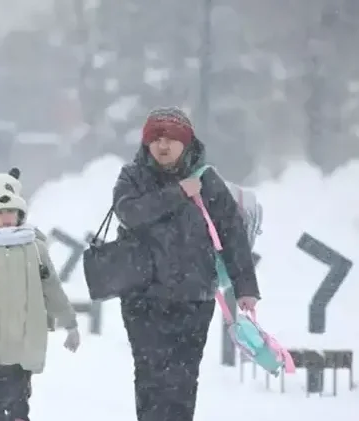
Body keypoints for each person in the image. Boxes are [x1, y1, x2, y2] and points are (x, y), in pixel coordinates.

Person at [112, 107, 260, 421]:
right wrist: (178, 193)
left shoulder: (207, 180)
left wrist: (246, 287)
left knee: (182, 380)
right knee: (151, 378)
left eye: (171, 139)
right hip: (144, 299)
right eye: (156, 138)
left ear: (186, 142)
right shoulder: (132, 177)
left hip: (193, 299)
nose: (162, 146)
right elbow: (129, 214)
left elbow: (232, 234)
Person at [0, 167, 80, 421]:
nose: (6, 218)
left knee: (19, 404)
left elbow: (51, 288)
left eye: (11, 212)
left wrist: (69, 323)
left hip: (24, 342)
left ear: (20, 213)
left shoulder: (34, 248)